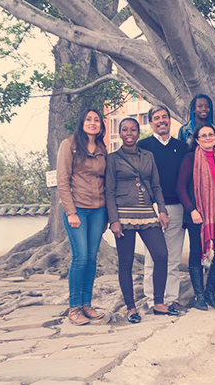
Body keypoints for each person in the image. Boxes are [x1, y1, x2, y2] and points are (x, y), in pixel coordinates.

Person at [105, 118, 176, 323]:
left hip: (146, 212)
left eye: (133, 129)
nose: (129, 133)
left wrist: (162, 211)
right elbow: (109, 190)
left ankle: (158, 302)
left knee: (161, 255)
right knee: (126, 262)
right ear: (120, 133)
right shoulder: (113, 158)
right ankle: (131, 307)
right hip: (123, 214)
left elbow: (156, 186)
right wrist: (113, 220)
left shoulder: (148, 156)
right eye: (125, 130)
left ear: (138, 132)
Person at [57, 108, 108, 326]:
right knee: (81, 258)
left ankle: (87, 304)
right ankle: (74, 307)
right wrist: (71, 212)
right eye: (89, 119)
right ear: (82, 122)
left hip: (98, 210)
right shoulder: (69, 145)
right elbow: (62, 180)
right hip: (77, 208)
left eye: (97, 120)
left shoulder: (102, 148)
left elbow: (105, 181)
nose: (93, 123)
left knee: (92, 258)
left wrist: (106, 215)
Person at [138, 105, 189, 315]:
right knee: (153, 257)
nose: (161, 121)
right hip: (152, 208)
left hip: (177, 207)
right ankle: (153, 300)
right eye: (156, 118)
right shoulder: (143, 146)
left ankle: (171, 299)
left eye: (164, 117)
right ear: (150, 123)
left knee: (174, 257)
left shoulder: (182, 147)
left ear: (169, 120)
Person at [176, 123, 215, 310]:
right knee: (197, 254)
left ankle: (210, 292)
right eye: (204, 135)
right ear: (197, 140)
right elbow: (181, 187)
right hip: (197, 215)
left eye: (211, 134)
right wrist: (192, 210)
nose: (208, 138)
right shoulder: (190, 159)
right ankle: (199, 296)